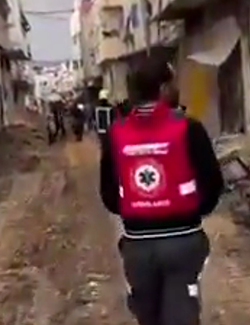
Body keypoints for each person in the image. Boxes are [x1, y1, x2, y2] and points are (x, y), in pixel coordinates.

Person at [99, 63, 224, 325]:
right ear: (164, 88)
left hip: (138, 244)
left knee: (148, 316)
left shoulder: (115, 133)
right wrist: (191, 211)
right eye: (174, 82)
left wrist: (139, 211)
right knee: (182, 313)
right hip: (184, 240)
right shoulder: (190, 128)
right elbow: (213, 183)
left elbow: (109, 195)